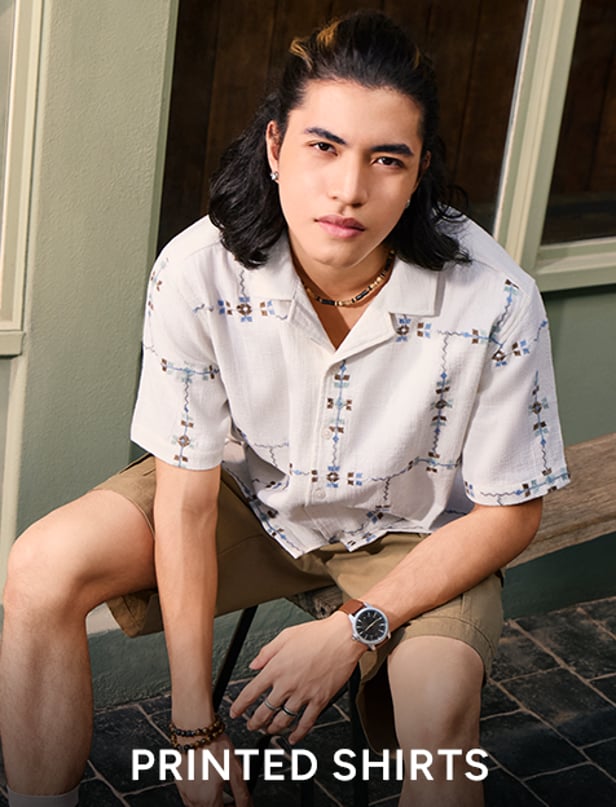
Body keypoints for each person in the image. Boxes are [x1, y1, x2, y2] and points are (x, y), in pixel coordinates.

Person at [0, 10, 569, 807]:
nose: (349, 189)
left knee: (439, 711)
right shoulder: (198, 272)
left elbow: (511, 513)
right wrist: (193, 728)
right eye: (323, 147)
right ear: (275, 147)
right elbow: (188, 501)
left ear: (419, 173)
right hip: (251, 498)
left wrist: (354, 627)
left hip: (413, 531)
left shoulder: (496, 298)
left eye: (387, 159)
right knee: (40, 563)